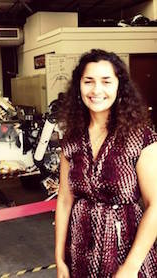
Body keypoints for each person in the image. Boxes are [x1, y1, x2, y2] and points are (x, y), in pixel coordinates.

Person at [55, 49, 157, 277]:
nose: (96, 90)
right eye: (88, 81)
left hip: (127, 251)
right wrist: (60, 259)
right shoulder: (71, 139)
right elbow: (64, 200)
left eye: (106, 81)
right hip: (79, 252)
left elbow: (155, 205)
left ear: (119, 86)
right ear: (78, 86)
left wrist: (130, 269)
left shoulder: (141, 138)